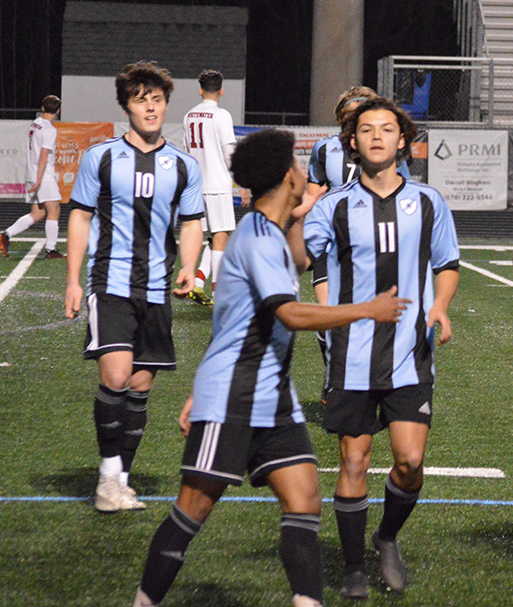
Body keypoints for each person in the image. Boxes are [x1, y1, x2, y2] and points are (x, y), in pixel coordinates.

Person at [131, 129, 410, 607]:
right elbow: (290, 313)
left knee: (304, 503)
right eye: (299, 168)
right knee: (192, 510)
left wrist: (298, 216)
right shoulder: (257, 237)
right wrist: (366, 309)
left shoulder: (271, 231)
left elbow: (285, 273)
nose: (305, 174)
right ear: (288, 176)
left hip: (272, 397)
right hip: (234, 395)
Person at [304, 96, 460, 598]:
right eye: (366, 129)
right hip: (350, 351)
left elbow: (447, 264)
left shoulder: (429, 201)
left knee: (411, 462)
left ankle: (387, 535)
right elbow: (304, 258)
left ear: (402, 140)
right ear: (352, 141)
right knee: (353, 460)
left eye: (386, 129)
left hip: (410, 350)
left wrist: (440, 306)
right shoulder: (333, 206)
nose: (376, 136)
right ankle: (352, 567)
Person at [64, 61, 205, 513]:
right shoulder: (100, 157)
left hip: (158, 287)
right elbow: (81, 216)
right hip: (111, 282)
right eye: (141, 98)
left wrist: (189, 265)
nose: (150, 106)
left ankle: (120, 480)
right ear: (126, 105)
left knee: (141, 386)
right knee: (117, 375)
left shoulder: (183, 165)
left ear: (166, 105)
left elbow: (191, 222)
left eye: (157, 99)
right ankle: (107, 479)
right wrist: (72, 279)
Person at [306, 87, 412, 367]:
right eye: (351, 116)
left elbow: (404, 194)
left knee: (374, 317)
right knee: (327, 315)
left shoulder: (388, 150)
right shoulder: (324, 148)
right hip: (331, 243)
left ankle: (373, 379)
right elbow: (313, 194)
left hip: (373, 243)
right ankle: (334, 378)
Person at [182, 69, 238, 306]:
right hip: (217, 185)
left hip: (196, 186)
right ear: (222, 91)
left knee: (212, 237)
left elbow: (185, 153)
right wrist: (241, 182)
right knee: (221, 236)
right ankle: (219, 294)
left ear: (200, 90)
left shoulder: (189, 116)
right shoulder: (222, 115)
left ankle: (198, 283)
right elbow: (229, 154)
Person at [0, 95, 65, 259]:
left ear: (42, 108)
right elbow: (43, 155)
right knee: (54, 209)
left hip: (31, 172)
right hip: (42, 175)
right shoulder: (49, 129)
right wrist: (40, 179)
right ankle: (51, 249)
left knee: (38, 213)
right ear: (58, 111)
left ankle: (7, 234)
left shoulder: (35, 124)